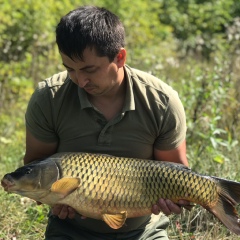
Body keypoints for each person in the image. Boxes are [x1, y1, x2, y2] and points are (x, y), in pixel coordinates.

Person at [23, 5, 189, 240]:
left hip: (143, 231)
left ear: (120, 57)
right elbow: (35, 166)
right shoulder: (48, 98)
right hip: (70, 229)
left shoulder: (161, 101)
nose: (80, 81)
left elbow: (179, 173)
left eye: (89, 69)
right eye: (70, 69)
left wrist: (175, 200)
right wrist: (51, 199)